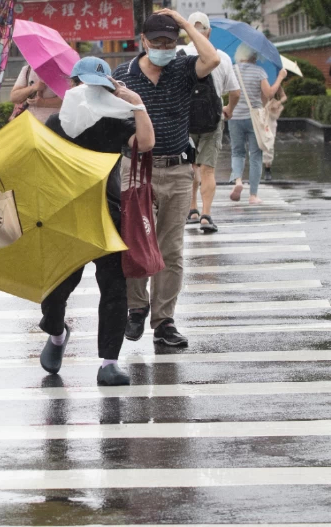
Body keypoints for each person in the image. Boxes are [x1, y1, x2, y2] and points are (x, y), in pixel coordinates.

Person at [40, 57, 155, 385]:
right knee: (57, 288)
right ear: (72, 87)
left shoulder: (116, 120)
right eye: (84, 85)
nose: (90, 93)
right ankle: (57, 333)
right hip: (66, 215)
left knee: (114, 288)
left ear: (110, 90)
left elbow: (145, 143)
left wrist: (137, 104)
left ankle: (108, 362)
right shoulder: (55, 123)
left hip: (109, 212)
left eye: (99, 87)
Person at [112, 10, 220, 347]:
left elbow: (212, 58)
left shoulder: (183, 68)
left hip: (176, 170)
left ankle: (164, 321)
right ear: (143, 41)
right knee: (134, 242)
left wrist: (187, 25)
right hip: (136, 169)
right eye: (157, 42)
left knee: (171, 249)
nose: (163, 47)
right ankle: (136, 308)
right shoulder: (123, 75)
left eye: (169, 42)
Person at [183, 11, 241, 234]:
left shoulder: (179, 55)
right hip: (212, 120)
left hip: (185, 122)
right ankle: (206, 216)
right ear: (208, 32)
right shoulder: (222, 57)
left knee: (190, 168)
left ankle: (192, 210)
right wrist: (229, 109)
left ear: (188, 31)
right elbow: (234, 92)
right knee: (207, 170)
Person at [228, 44, 288, 204]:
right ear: (255, 56)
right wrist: (280, 77)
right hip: (254, 119)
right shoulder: (259, 71)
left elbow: (225, 91)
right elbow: (268, 94)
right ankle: (253, 195)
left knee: (237, 152)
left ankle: (238, 181)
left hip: (234, 117)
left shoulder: (232, 69)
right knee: (255, 155)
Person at [263, 85, 288, 181]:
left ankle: (267, 168)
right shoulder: (259, 79)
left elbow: (284, 96)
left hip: (271, 115)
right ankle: (256, 167)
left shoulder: (276, 82)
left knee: (270, 141)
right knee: (257, 140)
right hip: (259, 112)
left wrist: (278, 102)